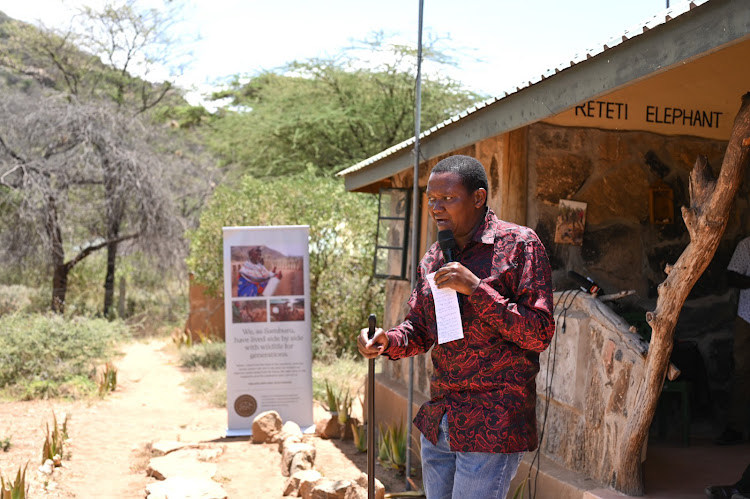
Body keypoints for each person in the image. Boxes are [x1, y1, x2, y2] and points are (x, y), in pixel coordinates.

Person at [358, 155, 555, 499]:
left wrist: (477, 290)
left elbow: (538, 333)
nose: (437, 208)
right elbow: (419, 329)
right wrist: (385, 341)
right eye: (432, 199)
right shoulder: (435, 257)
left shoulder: (519, 245)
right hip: (441, 420)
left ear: (478, 198)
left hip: (492, 424)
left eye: (448, 198)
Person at [716, 236, 750, 445]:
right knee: (742, 372)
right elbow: (732, 277)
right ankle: (735, 428)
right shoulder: (747, 245)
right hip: (747, 316)